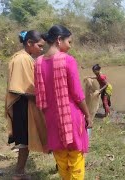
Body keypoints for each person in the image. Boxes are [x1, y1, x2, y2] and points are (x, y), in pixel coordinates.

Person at [34, 25, 91, 180]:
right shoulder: (68, 60)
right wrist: (88, 115)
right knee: (75, 159)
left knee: (61, 159)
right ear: (59, 40)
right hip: (70, 117)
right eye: (69, 42)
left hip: (51, 119)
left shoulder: (38, 62)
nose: (70, 46)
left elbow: (40, 96)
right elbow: (78, 94)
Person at [5, 30, 47, 180]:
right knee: (24, 140)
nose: (41, 49)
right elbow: (19, 88)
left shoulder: (25, 57)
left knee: (25, 140)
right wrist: (43, 100)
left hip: (25, 103)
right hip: (22, 104)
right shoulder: (22, 59)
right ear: (29, 43)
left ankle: (20, 172)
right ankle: (19, 173)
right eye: (40, 46)